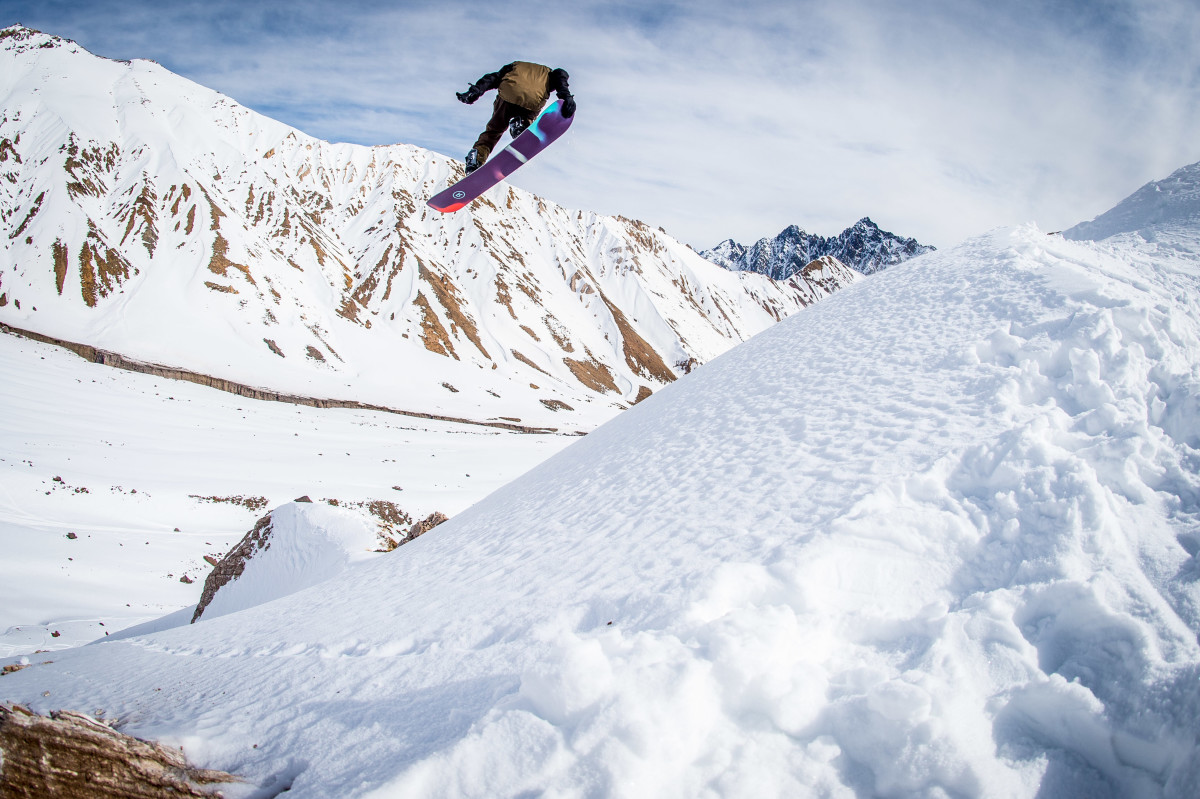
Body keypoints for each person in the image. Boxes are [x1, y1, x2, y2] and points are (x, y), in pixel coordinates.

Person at [456, 62, 575, 174]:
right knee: (528, 111)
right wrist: (566, 97)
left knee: (493, 130)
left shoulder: (514, 66)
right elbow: (561, 75)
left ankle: (476, 157)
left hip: (508, 93)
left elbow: (492, 78)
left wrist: (475, 91)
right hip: (532, 100)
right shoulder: (550, 74)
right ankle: (521, 124)